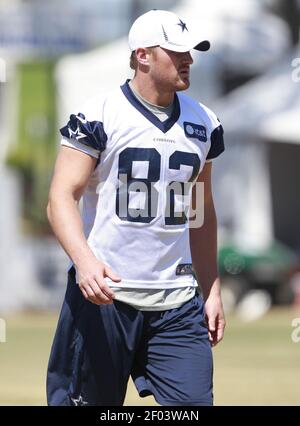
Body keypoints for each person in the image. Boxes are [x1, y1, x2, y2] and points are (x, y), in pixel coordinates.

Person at [46, 9, 226, 406]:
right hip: (105, 298)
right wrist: (85, 263)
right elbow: (61, 196)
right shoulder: (100, 113)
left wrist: (211, 289)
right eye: (177, 51)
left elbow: (202, 211)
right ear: (143, 55)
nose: (188, 59)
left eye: (191, 51)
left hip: (176, 303)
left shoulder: (205, 122)